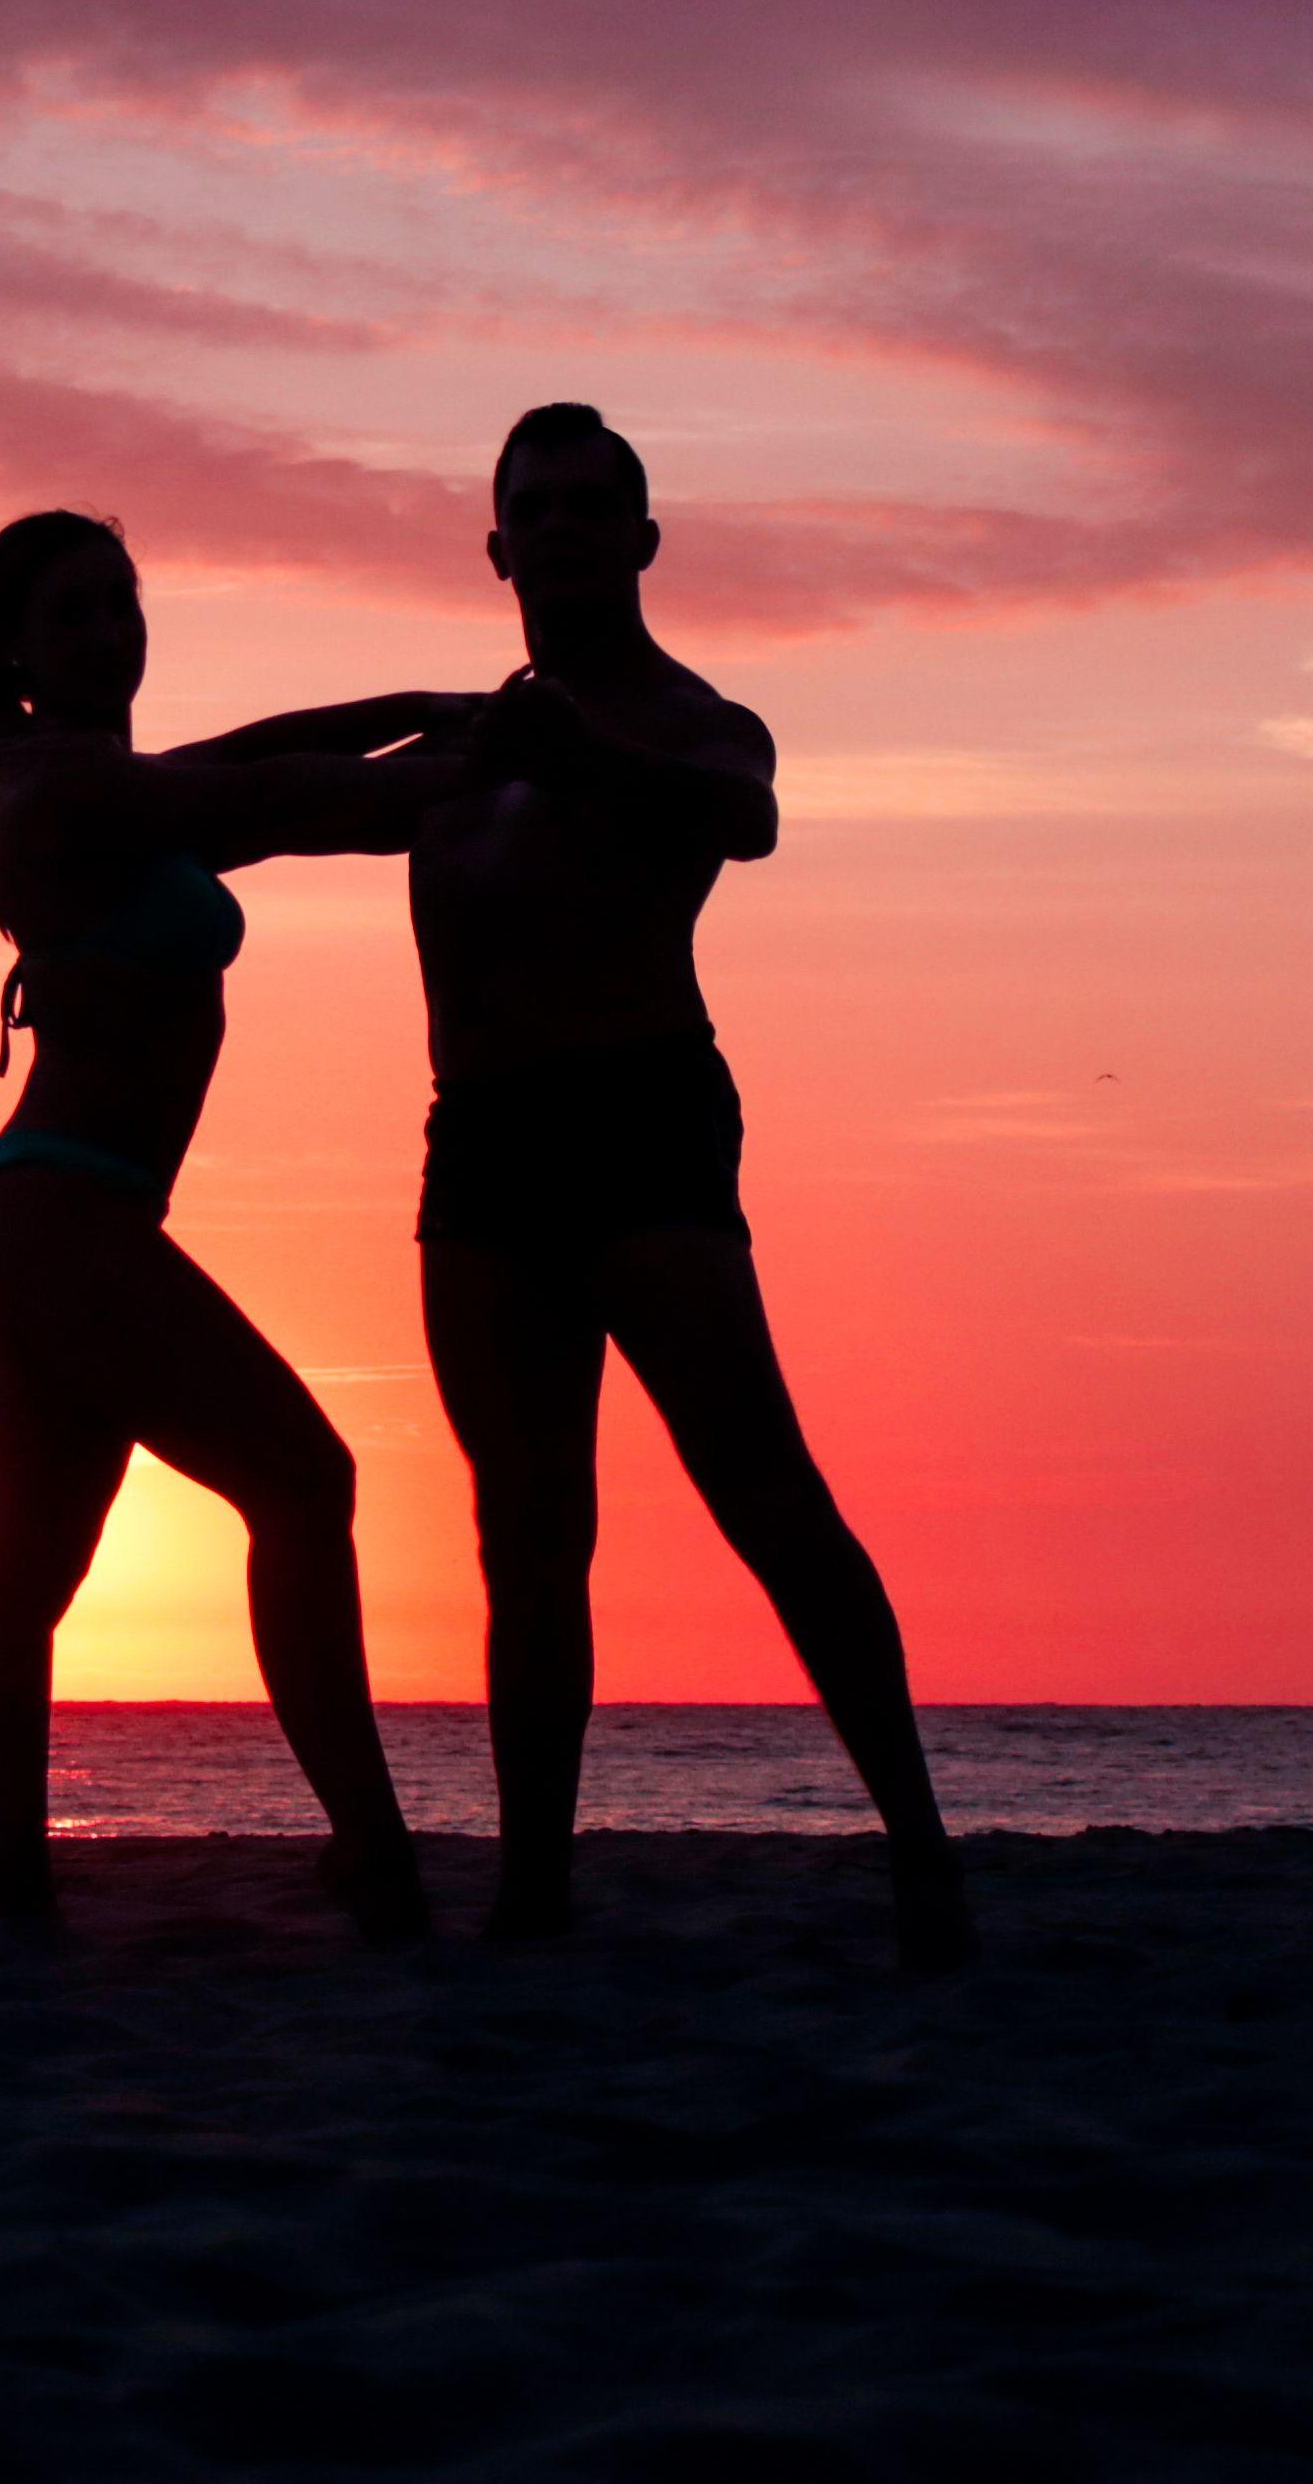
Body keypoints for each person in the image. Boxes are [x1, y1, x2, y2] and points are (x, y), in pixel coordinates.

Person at [413, 406, 971, 1966]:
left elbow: (745, 816)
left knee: (766, 1495)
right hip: (484, 1146)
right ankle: (533, 1888)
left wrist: (575, 750)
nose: (571, 530)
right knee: (527, 1537)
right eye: (542, 507)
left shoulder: (697, 720)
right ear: (500, 546)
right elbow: (257, 800)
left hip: (644, 1122)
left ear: (644, 540)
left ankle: (921, 1850)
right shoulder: (457, 745)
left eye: (599, 506)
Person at [0, 508, 490, 1943]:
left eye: (126, 604)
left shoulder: (111, 778)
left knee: (30, 1572)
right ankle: (371, 1851)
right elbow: (292, 803)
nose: (112, 633)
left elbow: (250, 758)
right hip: (54, 1209)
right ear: (17, 653)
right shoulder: (61, 793)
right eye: (76, 616)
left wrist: (416, 712)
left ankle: (17, 1913)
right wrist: (454, 768)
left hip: (65, 1211)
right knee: (303, 1482)